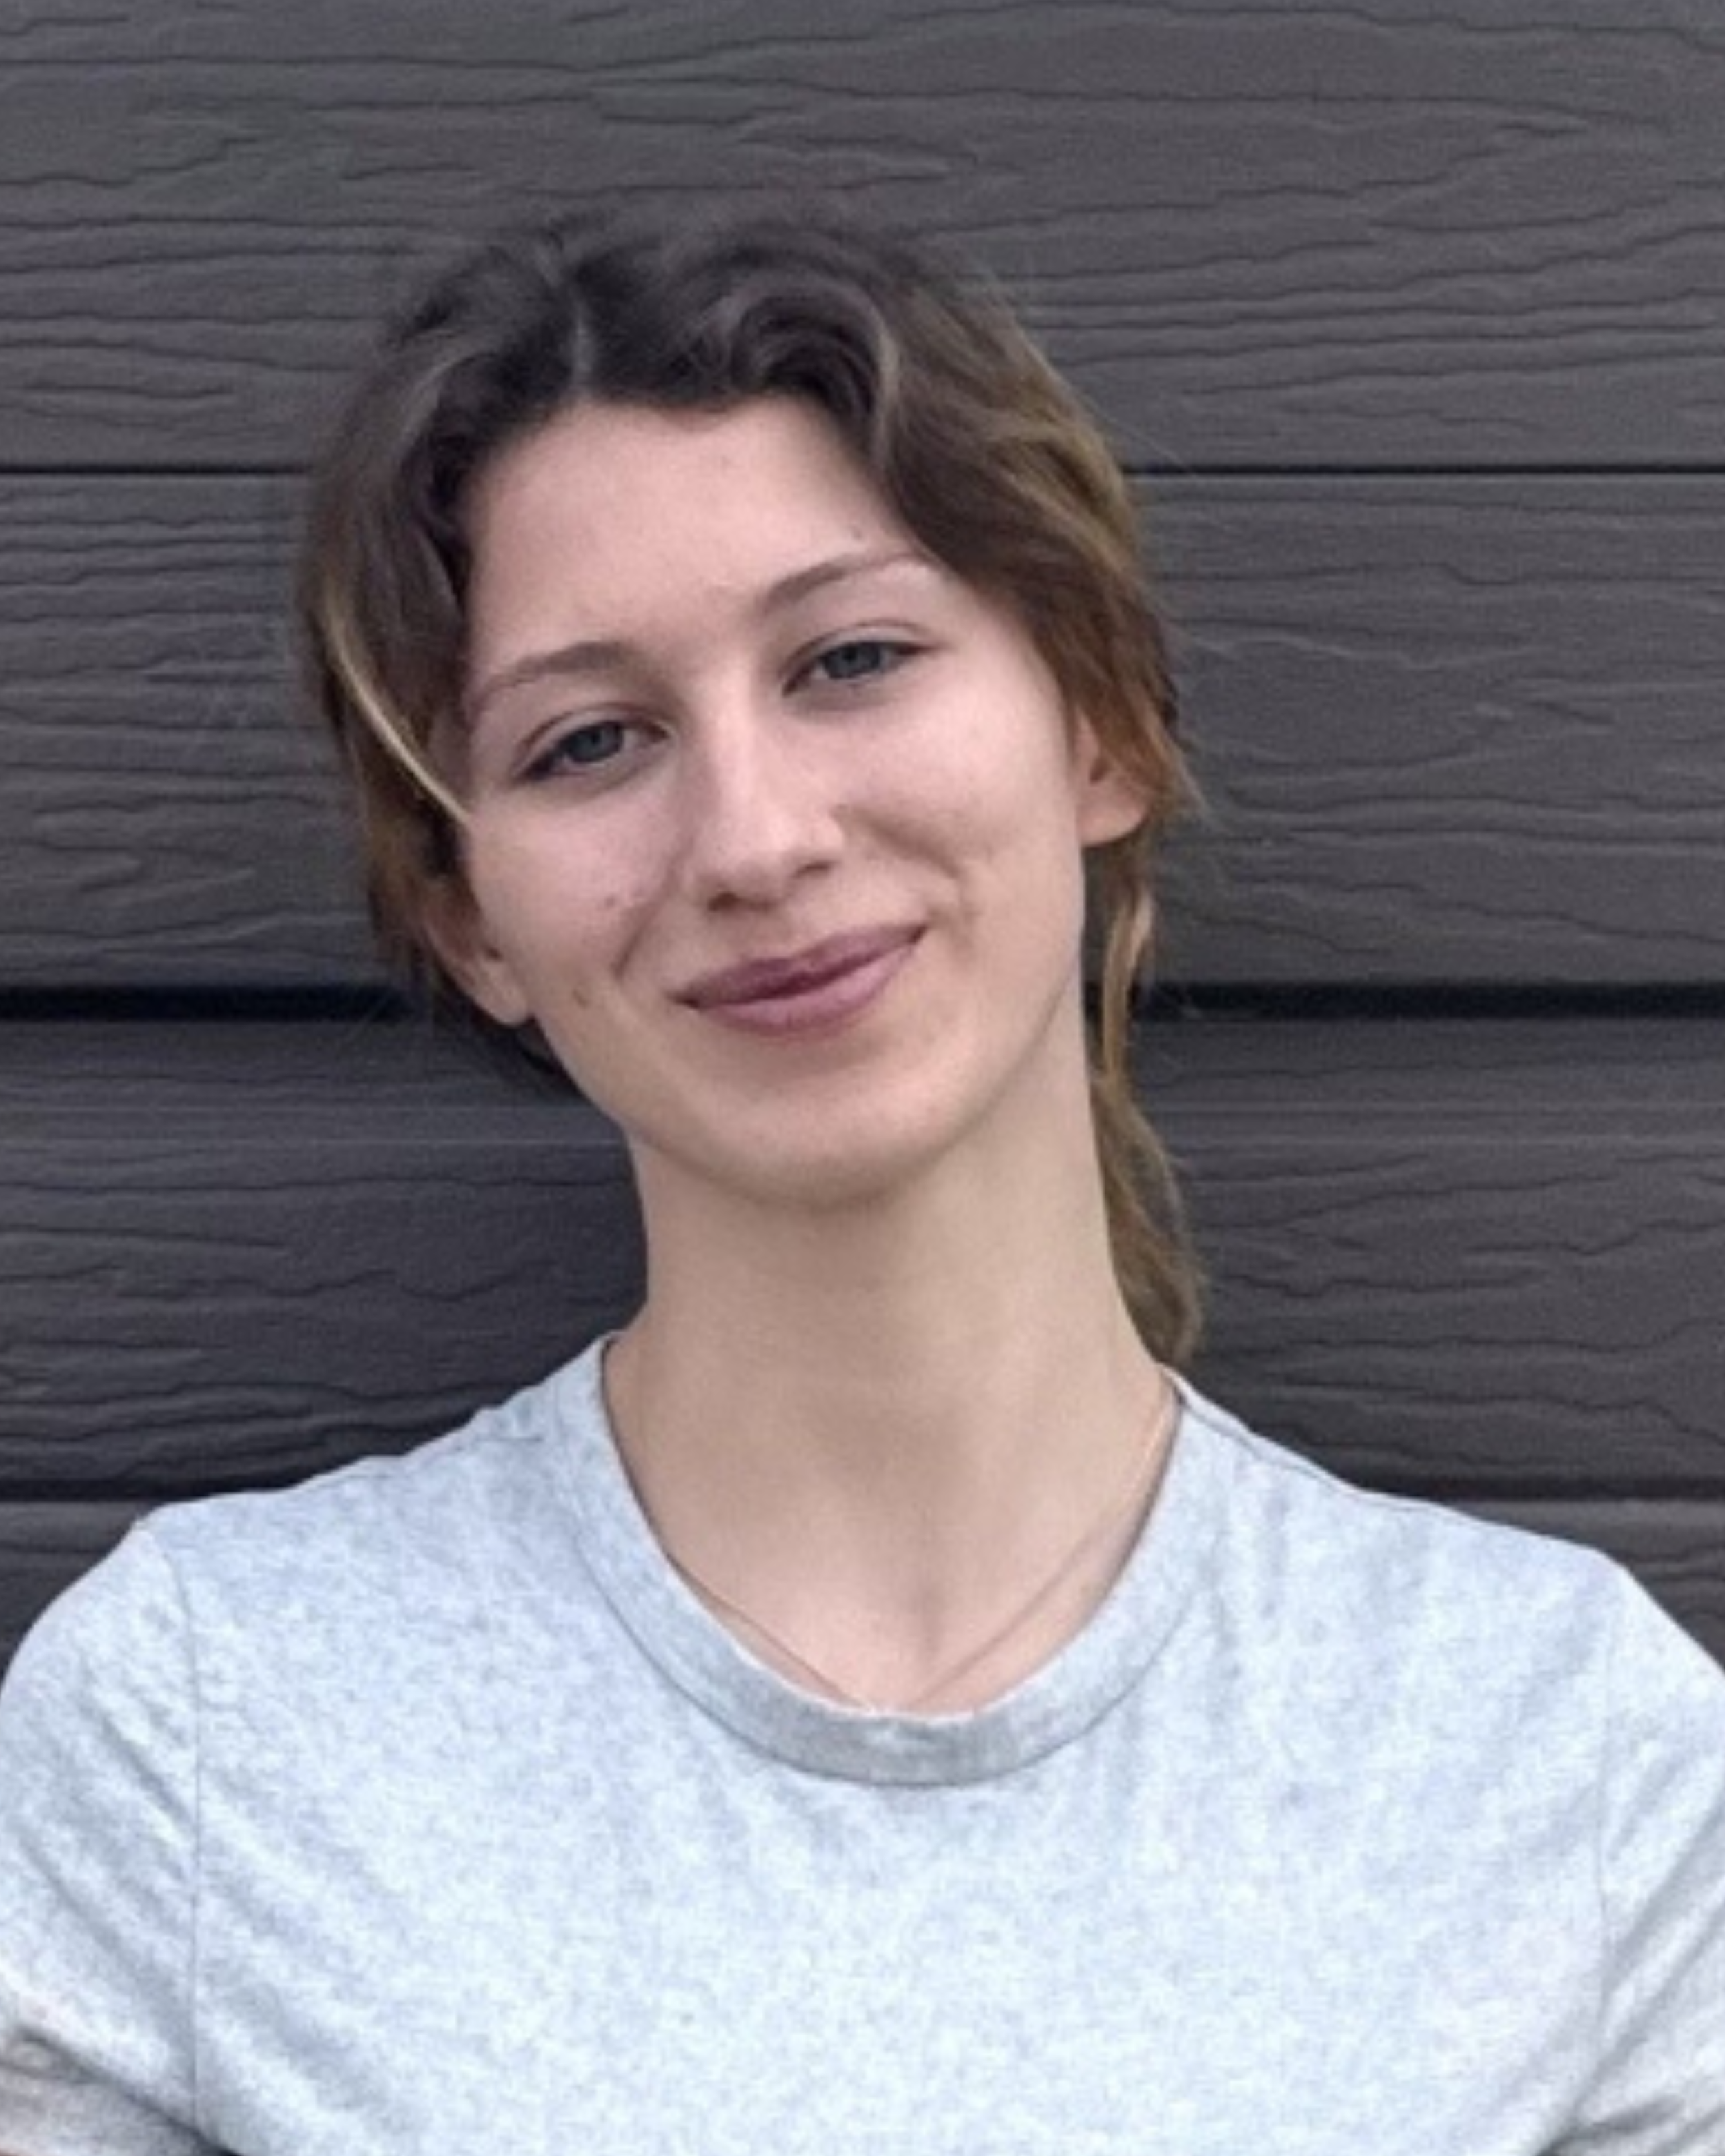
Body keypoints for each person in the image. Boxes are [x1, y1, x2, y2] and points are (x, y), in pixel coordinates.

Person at [1, 210, 1721, 2156]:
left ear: (1097, 720)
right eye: (586, 741)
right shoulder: (209, 1731)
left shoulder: (1561, 1757)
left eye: (851, 656)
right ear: (466, 913)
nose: (752, 833)